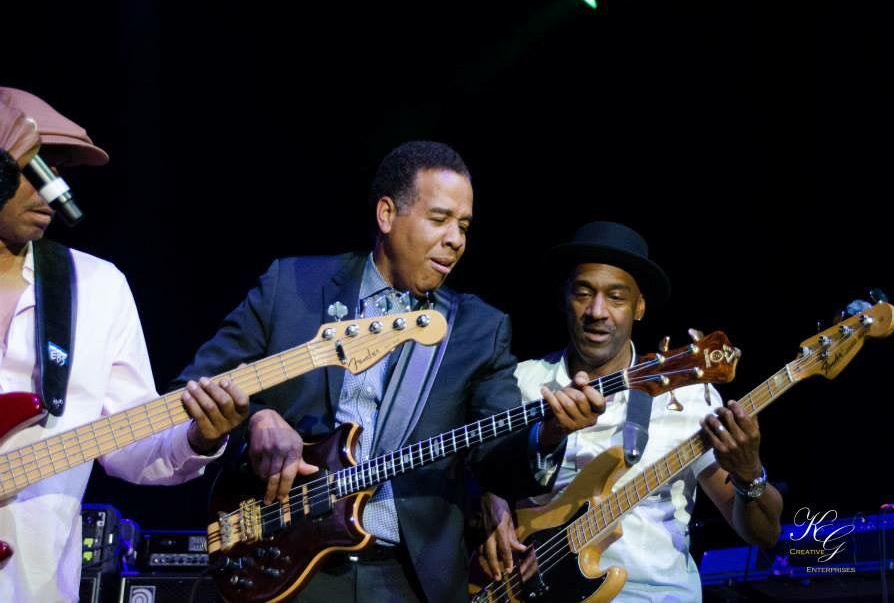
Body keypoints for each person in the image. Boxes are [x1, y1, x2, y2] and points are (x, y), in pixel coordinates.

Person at [173, 141, 605, 602]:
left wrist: (551, 433)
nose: (456, 240)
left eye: (463, 226)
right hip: (283, 559)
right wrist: (257, 418)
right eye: (439, 219)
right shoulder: (290, 287)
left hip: (407, 577)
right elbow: (191, 392)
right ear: (386, 214)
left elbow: (499, 462)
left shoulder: (478, 329)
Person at [0, 88, 248, 602]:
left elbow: (130, 443)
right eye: (33, 167)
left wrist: (198, 438)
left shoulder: (96, 287)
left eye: (59, 170)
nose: (52, 190)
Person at [478, 221, 783, 602]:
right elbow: (465, 473)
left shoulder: (689, 397)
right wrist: (488, 497)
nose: (597, 311)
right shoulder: (521, 384)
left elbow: (763, 534)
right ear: (563, 298)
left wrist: (749, 473)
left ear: (639, 307)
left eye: (616, 297)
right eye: (583, 293)